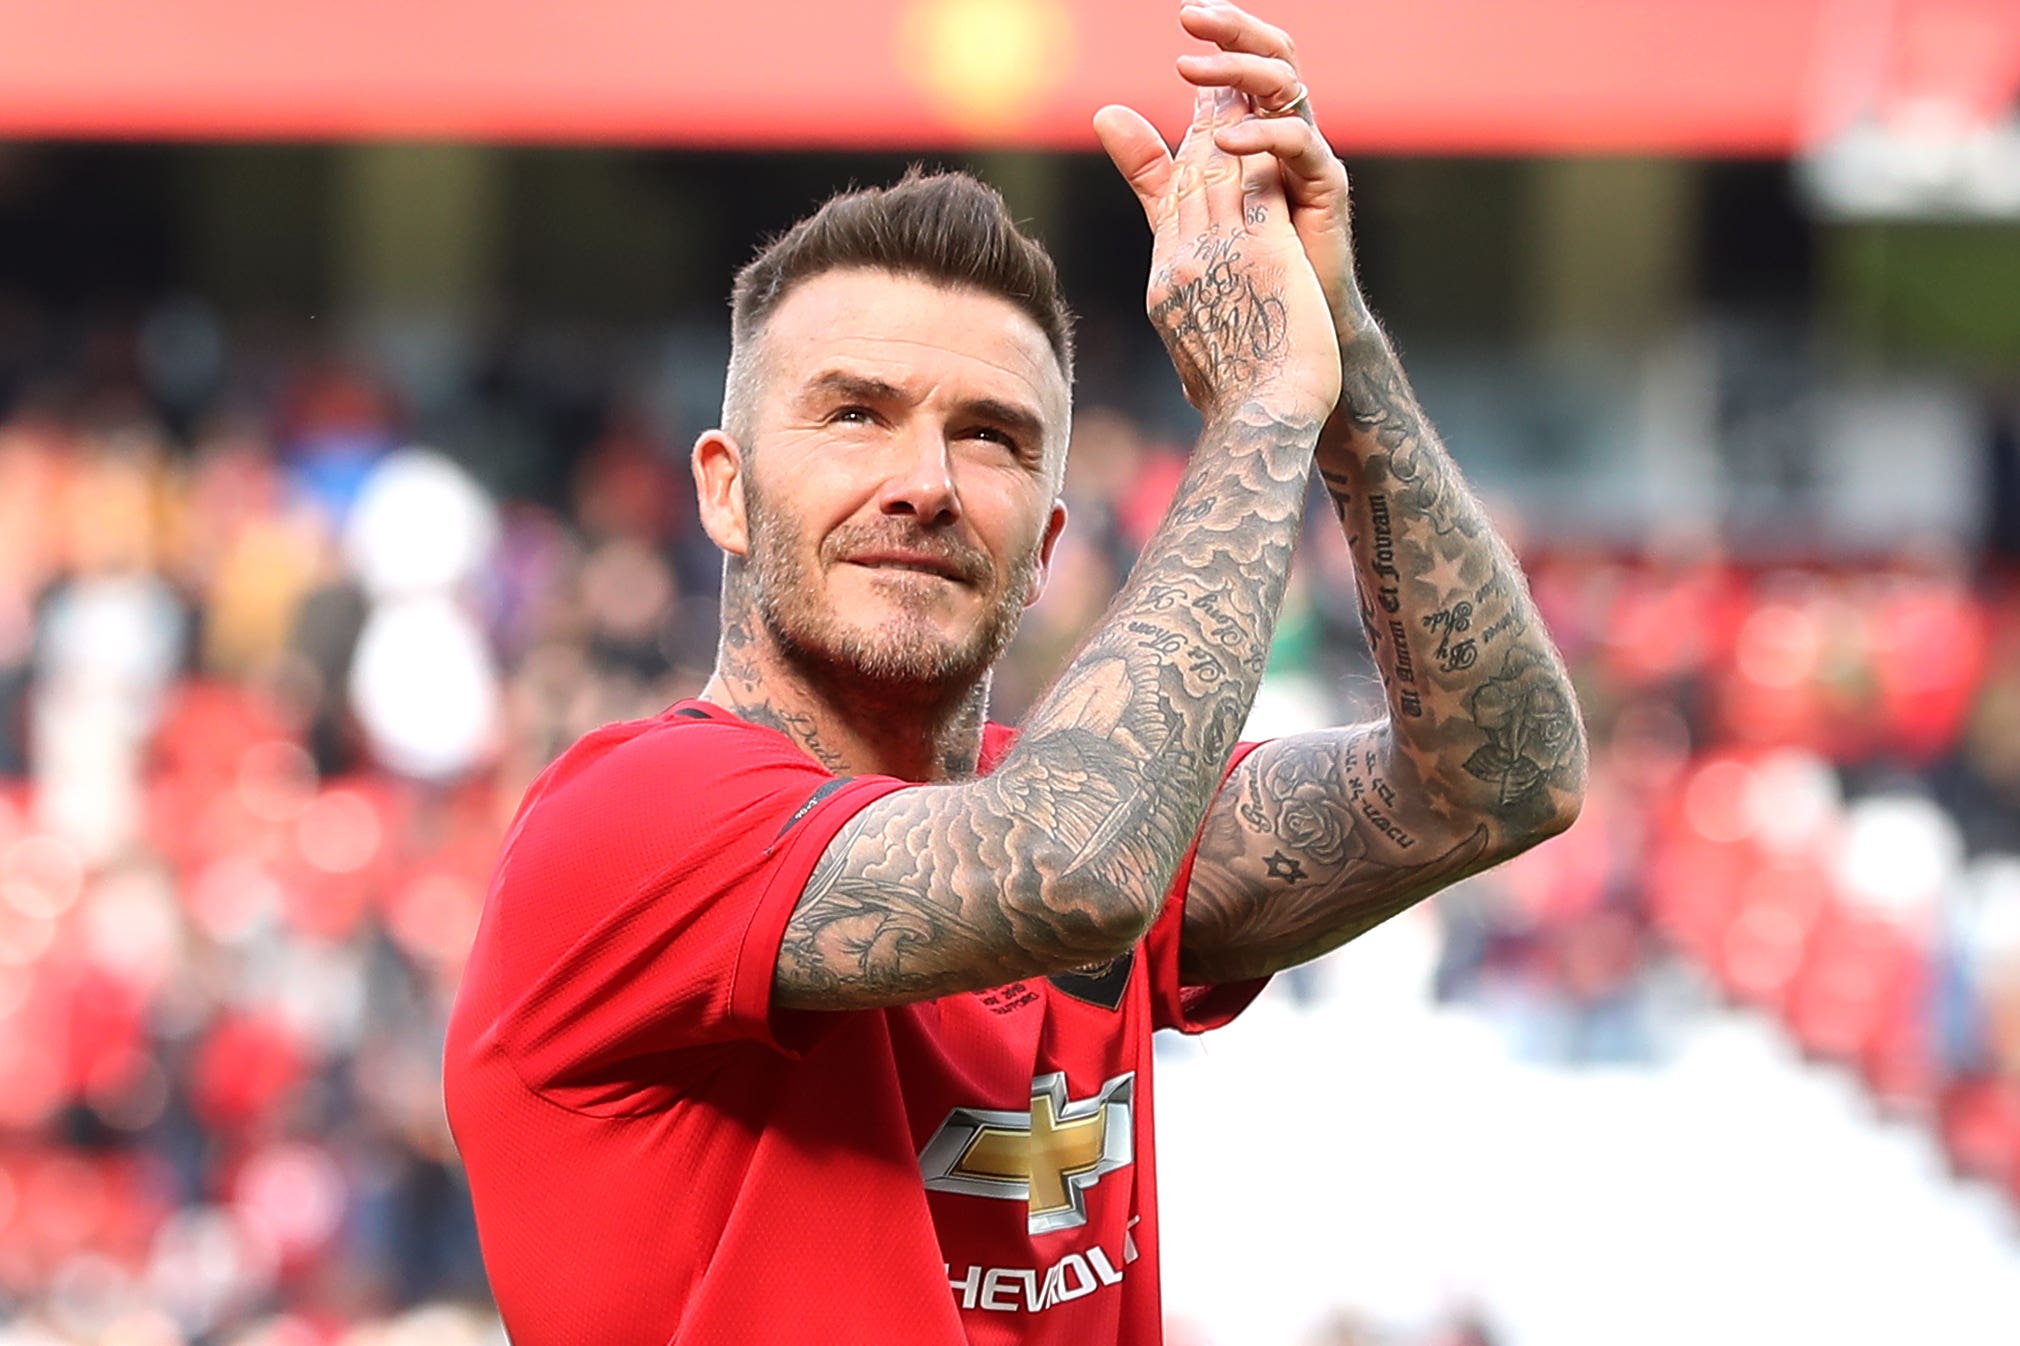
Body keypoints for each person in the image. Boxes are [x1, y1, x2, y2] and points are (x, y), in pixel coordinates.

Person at [443, 5, 1585, 1343]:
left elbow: (1499, 780)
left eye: (988, 435)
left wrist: (1342, 352)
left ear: (1047, 542)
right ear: (727, 490)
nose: (923, 483)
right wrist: (1264, 403)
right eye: (855, 412)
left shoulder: (1079, 799)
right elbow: (1076, 867)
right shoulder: (625, 826)